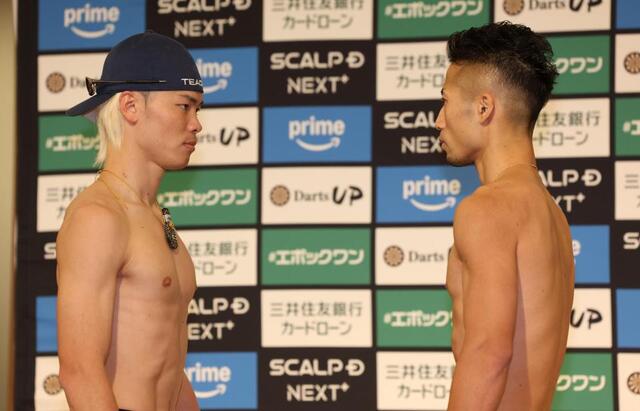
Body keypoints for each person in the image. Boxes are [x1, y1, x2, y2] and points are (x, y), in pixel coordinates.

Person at [56, 31, 203, 411]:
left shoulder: (155, 217)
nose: (196, 124)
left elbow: (168, 365)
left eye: (198, 109)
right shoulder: (98, 218)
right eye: (184, 106)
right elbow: (79, 371)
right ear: (131, 106)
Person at [436, 22, 575, 410]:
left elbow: (488, 354)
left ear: (484, 107)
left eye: (445, 101)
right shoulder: (553, 217)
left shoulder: (488, 208)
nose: (439, 120)